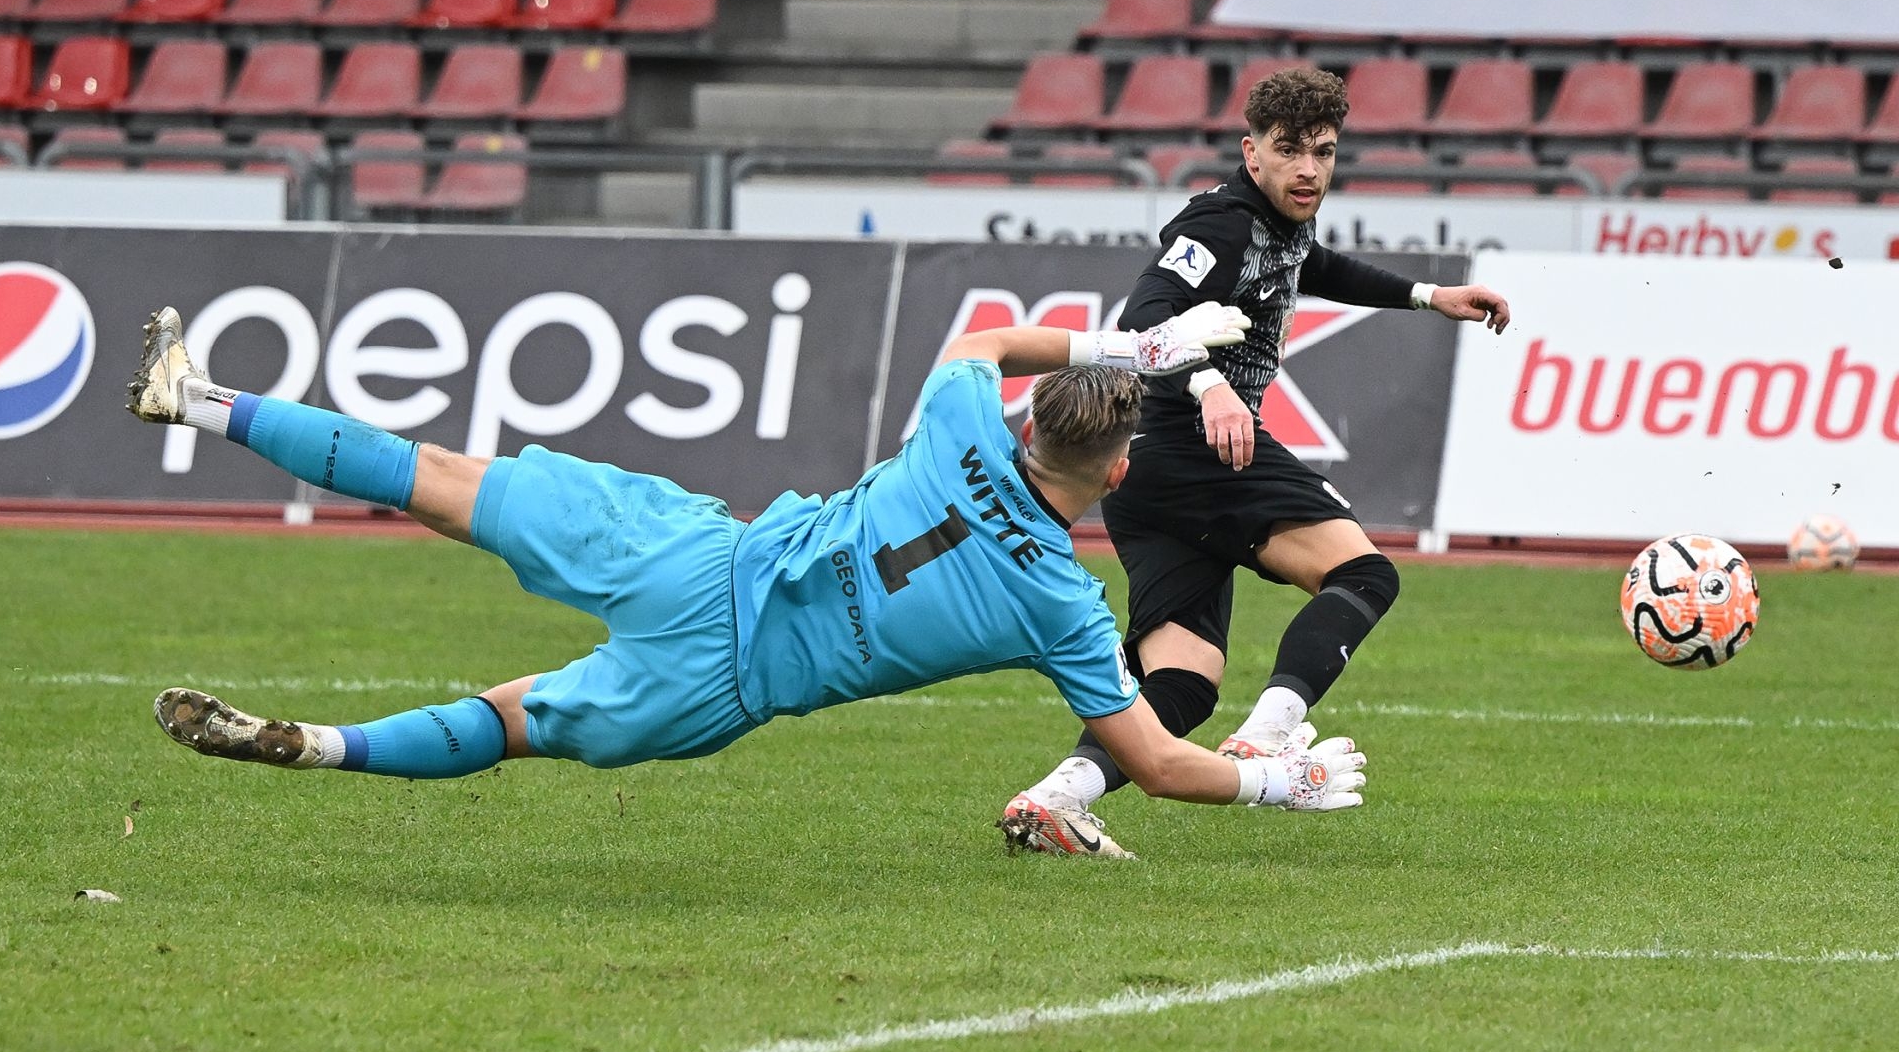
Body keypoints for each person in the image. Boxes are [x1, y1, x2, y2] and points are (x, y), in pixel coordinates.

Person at [126, 301, 1368, 856]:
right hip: (722, 675)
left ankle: (205, 398)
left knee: (444, 480)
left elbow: (986, 340)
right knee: (515, 718)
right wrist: (1278, 775)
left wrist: (1128, 344)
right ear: (1113, 466)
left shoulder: (960, 419)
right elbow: (1154, 761)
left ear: (1030, 422)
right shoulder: (1060, 602)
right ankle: (325, 745)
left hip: (694, 553)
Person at [1002, 66, 1510, 858]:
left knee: (1183, 681)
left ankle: (1057, 798)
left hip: (1151, 473)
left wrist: (1426, 294)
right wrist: (1209, 386)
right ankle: (1269, 734)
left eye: (1325, 152)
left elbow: (1318, 264)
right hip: (1195, 442)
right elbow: (1144, 313)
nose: (1309, 169)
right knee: (1366, 575)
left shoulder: (1281, 220)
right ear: (1252, 152)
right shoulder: (1222, 224)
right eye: (1290, 151)